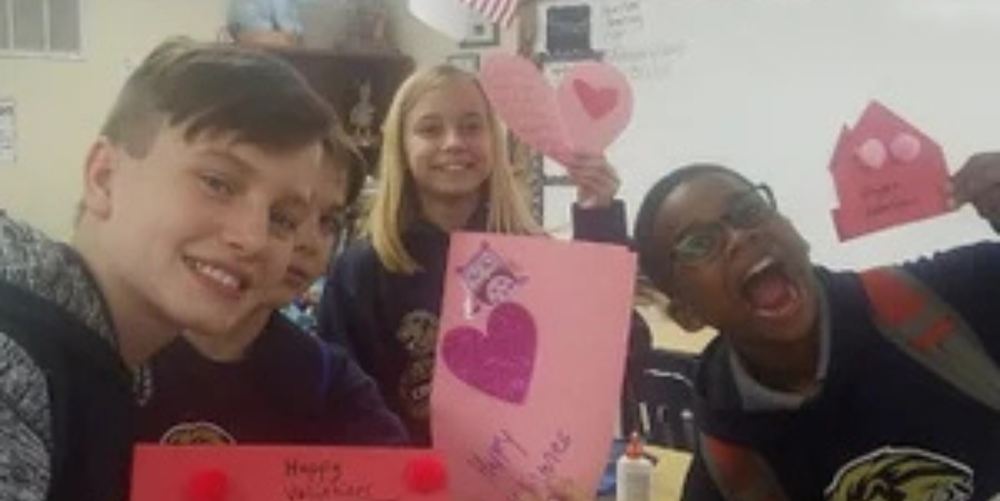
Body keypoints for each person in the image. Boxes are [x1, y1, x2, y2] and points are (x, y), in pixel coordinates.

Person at [0, 38, 333, 501]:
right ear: (103, 177)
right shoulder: (15, 366)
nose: (254, 239)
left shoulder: (108, 368)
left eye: (282, 218)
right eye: (217, 183)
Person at [316, 64, 650, 445]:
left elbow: (620, 351)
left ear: (494, 140)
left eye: (472, 126)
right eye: (430, 129)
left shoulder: (533, 256)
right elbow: (339, 406)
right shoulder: (362, 271)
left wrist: (598, 221)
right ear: (401, 147)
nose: (454, 142)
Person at [632, 157, 1000, 501]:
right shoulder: (732, 471)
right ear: (687, 314)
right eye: (700, 244)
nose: (740, 237)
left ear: (795, 231)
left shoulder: (943, 304)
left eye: (747, 210)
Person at [136, 128, 407, 446]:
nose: (309, 242)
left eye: (328, 221)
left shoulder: (325, 379)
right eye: (283, 215)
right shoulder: (124, 352)